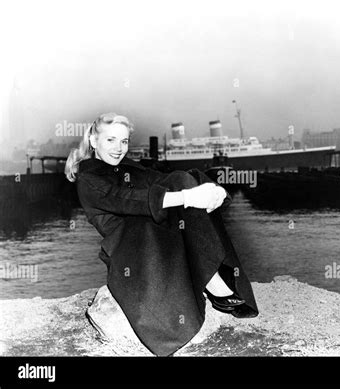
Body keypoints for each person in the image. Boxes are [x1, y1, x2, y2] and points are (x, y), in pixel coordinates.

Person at [65, 113, 258, 356]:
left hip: (150, 225)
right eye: (111, 140)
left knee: (181, 178)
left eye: (124, 142)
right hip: (129, 244)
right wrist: (187, 197)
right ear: (93, 140)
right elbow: (126, 200)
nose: (118, 149)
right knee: (162, 212)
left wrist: (214, 190)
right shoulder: (88, 177)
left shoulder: (125, 167)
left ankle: (210, 276)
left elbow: (164, 180)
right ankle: (210, 280)